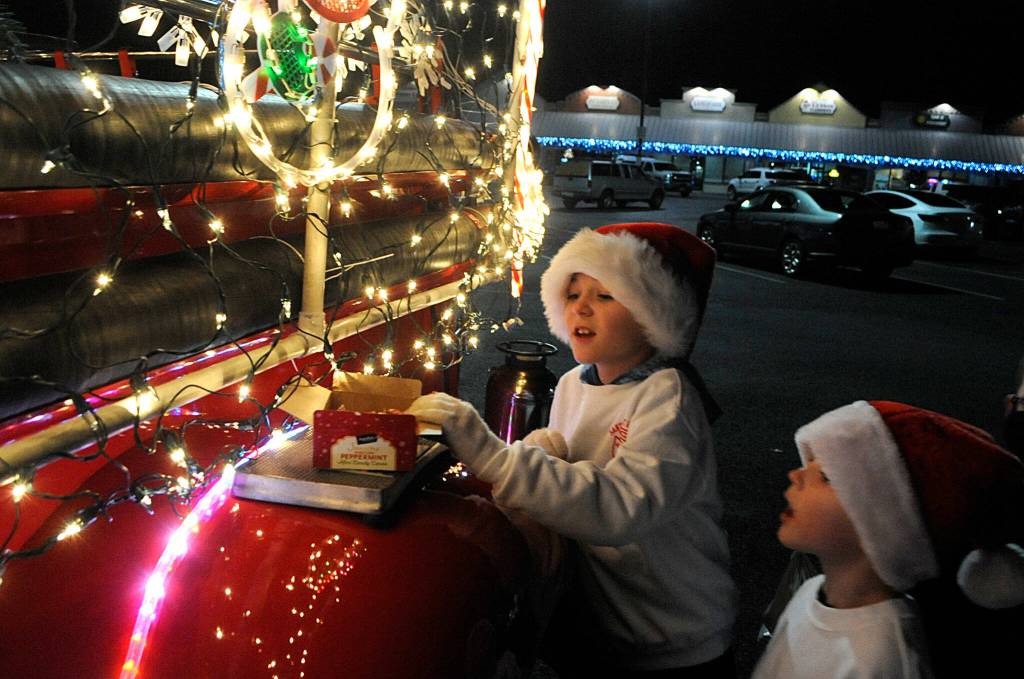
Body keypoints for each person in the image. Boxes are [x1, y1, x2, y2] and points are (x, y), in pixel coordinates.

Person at [408, 223, 738, 677]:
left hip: (673, 639)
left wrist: (497, 459)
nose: (581, 306)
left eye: (605, 296)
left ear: (653, 315)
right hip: (603, 628)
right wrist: (543, 454)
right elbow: (568, 489)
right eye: (574, 291)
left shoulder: (667, 397)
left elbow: (620, 506)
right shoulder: (570, 385)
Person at [753, 400, 1024, 679]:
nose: (795, 475)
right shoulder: (809, 592)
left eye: (827, 476)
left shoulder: (881, 657)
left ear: (885, 526)